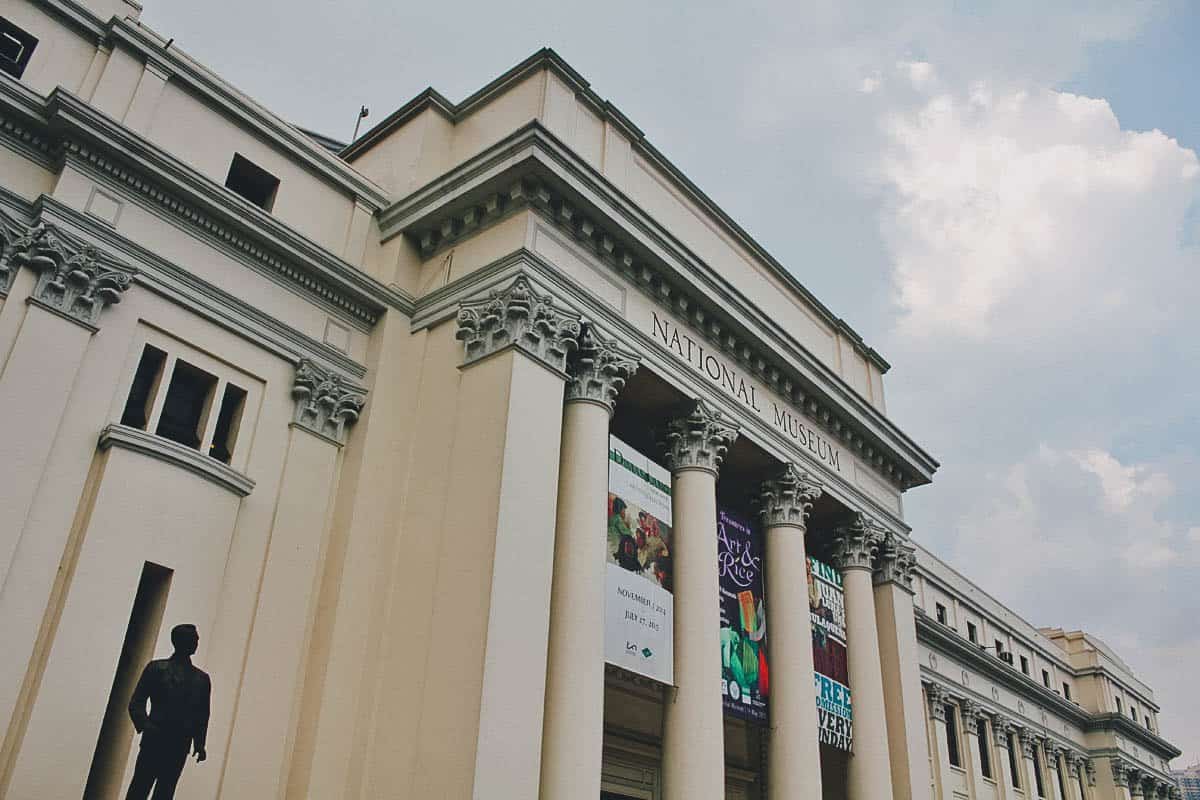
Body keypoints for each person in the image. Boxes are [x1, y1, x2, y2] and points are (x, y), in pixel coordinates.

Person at [125, 623, 211, 800]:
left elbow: (202, 714)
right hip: (154, 739)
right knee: (140, 788)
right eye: (193, 639)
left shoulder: (201, 679)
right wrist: (146, 726)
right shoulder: (156, 669)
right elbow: (136, 702)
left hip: (179, 743)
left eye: (197, 639)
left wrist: (199, 743)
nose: (197, 642)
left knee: (165, 792)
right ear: (180, 641)